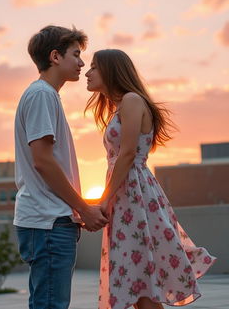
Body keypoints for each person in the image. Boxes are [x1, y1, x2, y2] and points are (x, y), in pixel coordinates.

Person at [85, 49, 216, 309]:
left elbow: (128, 153)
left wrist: (104, 200)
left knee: (142, 279)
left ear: (111, 70)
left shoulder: (132, 100)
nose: (87, 73)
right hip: (127, 195)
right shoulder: (121, 106)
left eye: (94, 67)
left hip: (133, 195)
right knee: (137, 282)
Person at [13, 25, 108, 309]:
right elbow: (43, 161)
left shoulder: (45, 95)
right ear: (55, 56)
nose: (81, 63)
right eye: (76, 55)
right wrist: (83, 207)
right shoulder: (42, 95)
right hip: (48, 222)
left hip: (47, 221)